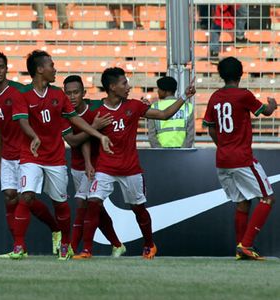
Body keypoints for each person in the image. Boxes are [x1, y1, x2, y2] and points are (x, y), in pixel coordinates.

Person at [78, 67, 195, 259]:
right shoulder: (97, 110)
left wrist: (184, 96)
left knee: (138, 208)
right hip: (105, 167)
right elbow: (87, 138)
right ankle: (87, 250)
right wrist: (89, 163)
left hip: (130, 168)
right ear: (112, 87)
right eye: (124, 83)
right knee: (93, 203)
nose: (128, 86)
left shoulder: (134, 106)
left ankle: (149, 244)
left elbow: (164, 115)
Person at [10, 50, 112, 260]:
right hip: (31, 155)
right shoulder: (23, 95)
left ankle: (65, 242)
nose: (54, 69)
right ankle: (19, 246)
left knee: (60, 203)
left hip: (55, 158)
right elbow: (23, 121)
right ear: (40, 69)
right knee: (26, 195)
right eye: (51, 65)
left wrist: (97, 135)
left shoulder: (58, 95)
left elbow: (76, 120)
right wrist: (34, 137)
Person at [0, 52, 63, 258]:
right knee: (10, 198)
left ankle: (54, 229)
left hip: (26, 152)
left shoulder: (20, 91)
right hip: (8, 155)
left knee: (24, 198)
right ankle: (20, 246)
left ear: (7, 68)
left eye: (2, 66)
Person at [203, 57, 277, 260]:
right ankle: (246, 244)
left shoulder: (215, 96)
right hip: (242, 158)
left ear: (221, 75)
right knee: (267, 198)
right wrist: (273, 104)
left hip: (222, 159)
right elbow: (266, 112)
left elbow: (210, 127)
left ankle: (240, 249)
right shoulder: (244, 95)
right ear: (241, 74)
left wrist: (224, 146)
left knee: (242, 202)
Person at [62, 75, 127, 258]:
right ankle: (117, 244)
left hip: (100, 165)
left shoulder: (96, 108)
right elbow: (74, 142)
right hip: (77, 166)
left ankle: (74, 248)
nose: (72, 97)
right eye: (68, 93)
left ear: (84, 93)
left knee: (83, 203)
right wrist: (93, 127)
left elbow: (117, 104)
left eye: (76, 92)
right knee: (94, 207)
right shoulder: (63, 114)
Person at [147, 76, 195, 148]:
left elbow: (152, 135)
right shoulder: (188, 107)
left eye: (159, 89)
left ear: (165, 91)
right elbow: (190, 134)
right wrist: (183, 151)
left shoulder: (155, 107)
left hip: (162, 154)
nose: (157, 91)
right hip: (182, 153)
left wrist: (159, 151)